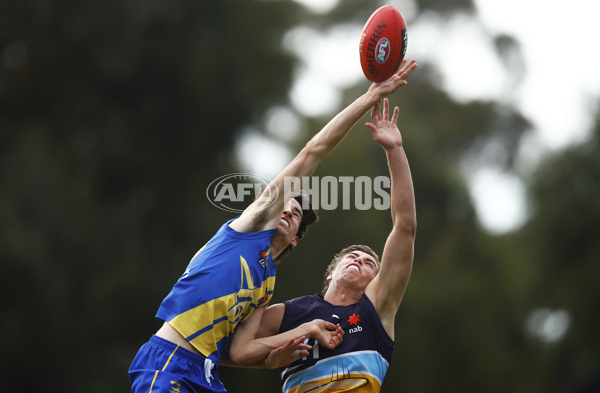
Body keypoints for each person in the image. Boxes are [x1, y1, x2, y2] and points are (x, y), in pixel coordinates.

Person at [128, 59, 418, 393]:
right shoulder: (249, 229)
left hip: (206, 374)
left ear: (295, 240)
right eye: (287, 204)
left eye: (295, 214)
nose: (287, 211)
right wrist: (369, 98)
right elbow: (313, 152)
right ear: (330, 271)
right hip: (171, 358)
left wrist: (273, 358)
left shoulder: (265, 285)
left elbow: (237, 351)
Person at [226, 95, 418, 393]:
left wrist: (395, 149)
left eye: (370, 264)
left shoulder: (376, 309)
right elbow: (224, 348)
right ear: (331, 272)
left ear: (376, 282)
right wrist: (268, 361)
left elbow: (405, 227)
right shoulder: (289, 313)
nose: (360, 261)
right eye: (352, 257)